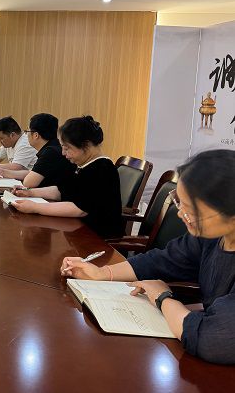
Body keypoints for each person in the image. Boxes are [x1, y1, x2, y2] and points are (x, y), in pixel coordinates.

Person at [60, 149, 235, 365]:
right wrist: (102, 273)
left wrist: (162, 297)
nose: (180, 214)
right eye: (179, 202)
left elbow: (213, 340)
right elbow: (163, 260)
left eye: (191, 210)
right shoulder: (211, 237)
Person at [10, 115, 122, 239]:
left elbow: (80, 209)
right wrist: (29, 192)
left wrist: (35, 207)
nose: (63, 153)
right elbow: (62, 190)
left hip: (98, 238)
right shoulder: (84, 165)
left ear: (86, 145)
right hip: (78, 230)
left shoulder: (101, 169)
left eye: (67, 148)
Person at [0, 113, 75, 188]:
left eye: (27, 131)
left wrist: (5, 172)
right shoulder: (53, 147)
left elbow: (28, 182)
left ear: (36, 135)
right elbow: (32, 173)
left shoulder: (50, 152)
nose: (26, 135)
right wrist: (4, 172)